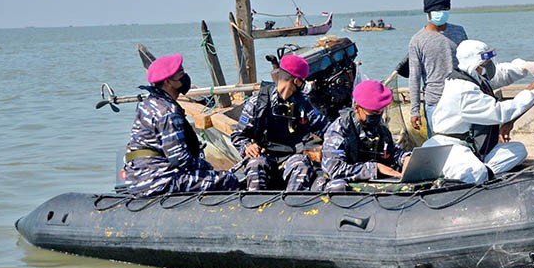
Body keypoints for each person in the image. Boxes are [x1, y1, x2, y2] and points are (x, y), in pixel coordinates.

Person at [422, 40, 534, 184]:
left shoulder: (474, 78)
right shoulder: (463, 89)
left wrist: (526, 66)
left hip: (470, 145)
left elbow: (501, 74)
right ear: (475, 64)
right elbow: (499, 112)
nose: (488, 67)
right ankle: (478, 176)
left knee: (518, 150)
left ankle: (486, 173)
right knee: (475, 172)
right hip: (449, 148)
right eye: (484, 64)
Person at [122, 54, 240, 196]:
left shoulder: (148, 103)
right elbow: (179, 158)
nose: (185, 77)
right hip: (159, 181)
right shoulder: (167, 112)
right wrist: (207, 167)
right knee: (227, 179)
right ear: (168, 82)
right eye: (181, 74)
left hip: (137, 179)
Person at [231, 55, 329, 191]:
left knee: (301, 166)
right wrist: (247, 146)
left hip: (292, 156)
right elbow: (238, 135)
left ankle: (294, 206)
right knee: (255, 165)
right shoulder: (257, 103)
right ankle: (254, 206)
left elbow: (326, 129)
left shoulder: (303, 104)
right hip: (264, 155)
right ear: (296, 81)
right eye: (302, 81)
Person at [317, 80, 411, 191]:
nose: (378, 116)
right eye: (373, 112)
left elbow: (392, 151)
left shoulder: (379, 128)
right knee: (338, 186)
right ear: (357, 108)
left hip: (374, 181)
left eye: (381, 111)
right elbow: (334, 169)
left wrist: (406, 158)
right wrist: (375, 168)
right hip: (347, 180)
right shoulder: (339, 130)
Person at [408, 0, 468, 138]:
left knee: (464, 143)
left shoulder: (459, 32)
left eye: (444, 8)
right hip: (435, 102)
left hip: (460, 99)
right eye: (437, 9)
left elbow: (469, 64)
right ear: (427, 11)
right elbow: (414, 77)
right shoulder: (417, 40)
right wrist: (415, 110)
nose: (441, 12)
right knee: (438, 146)